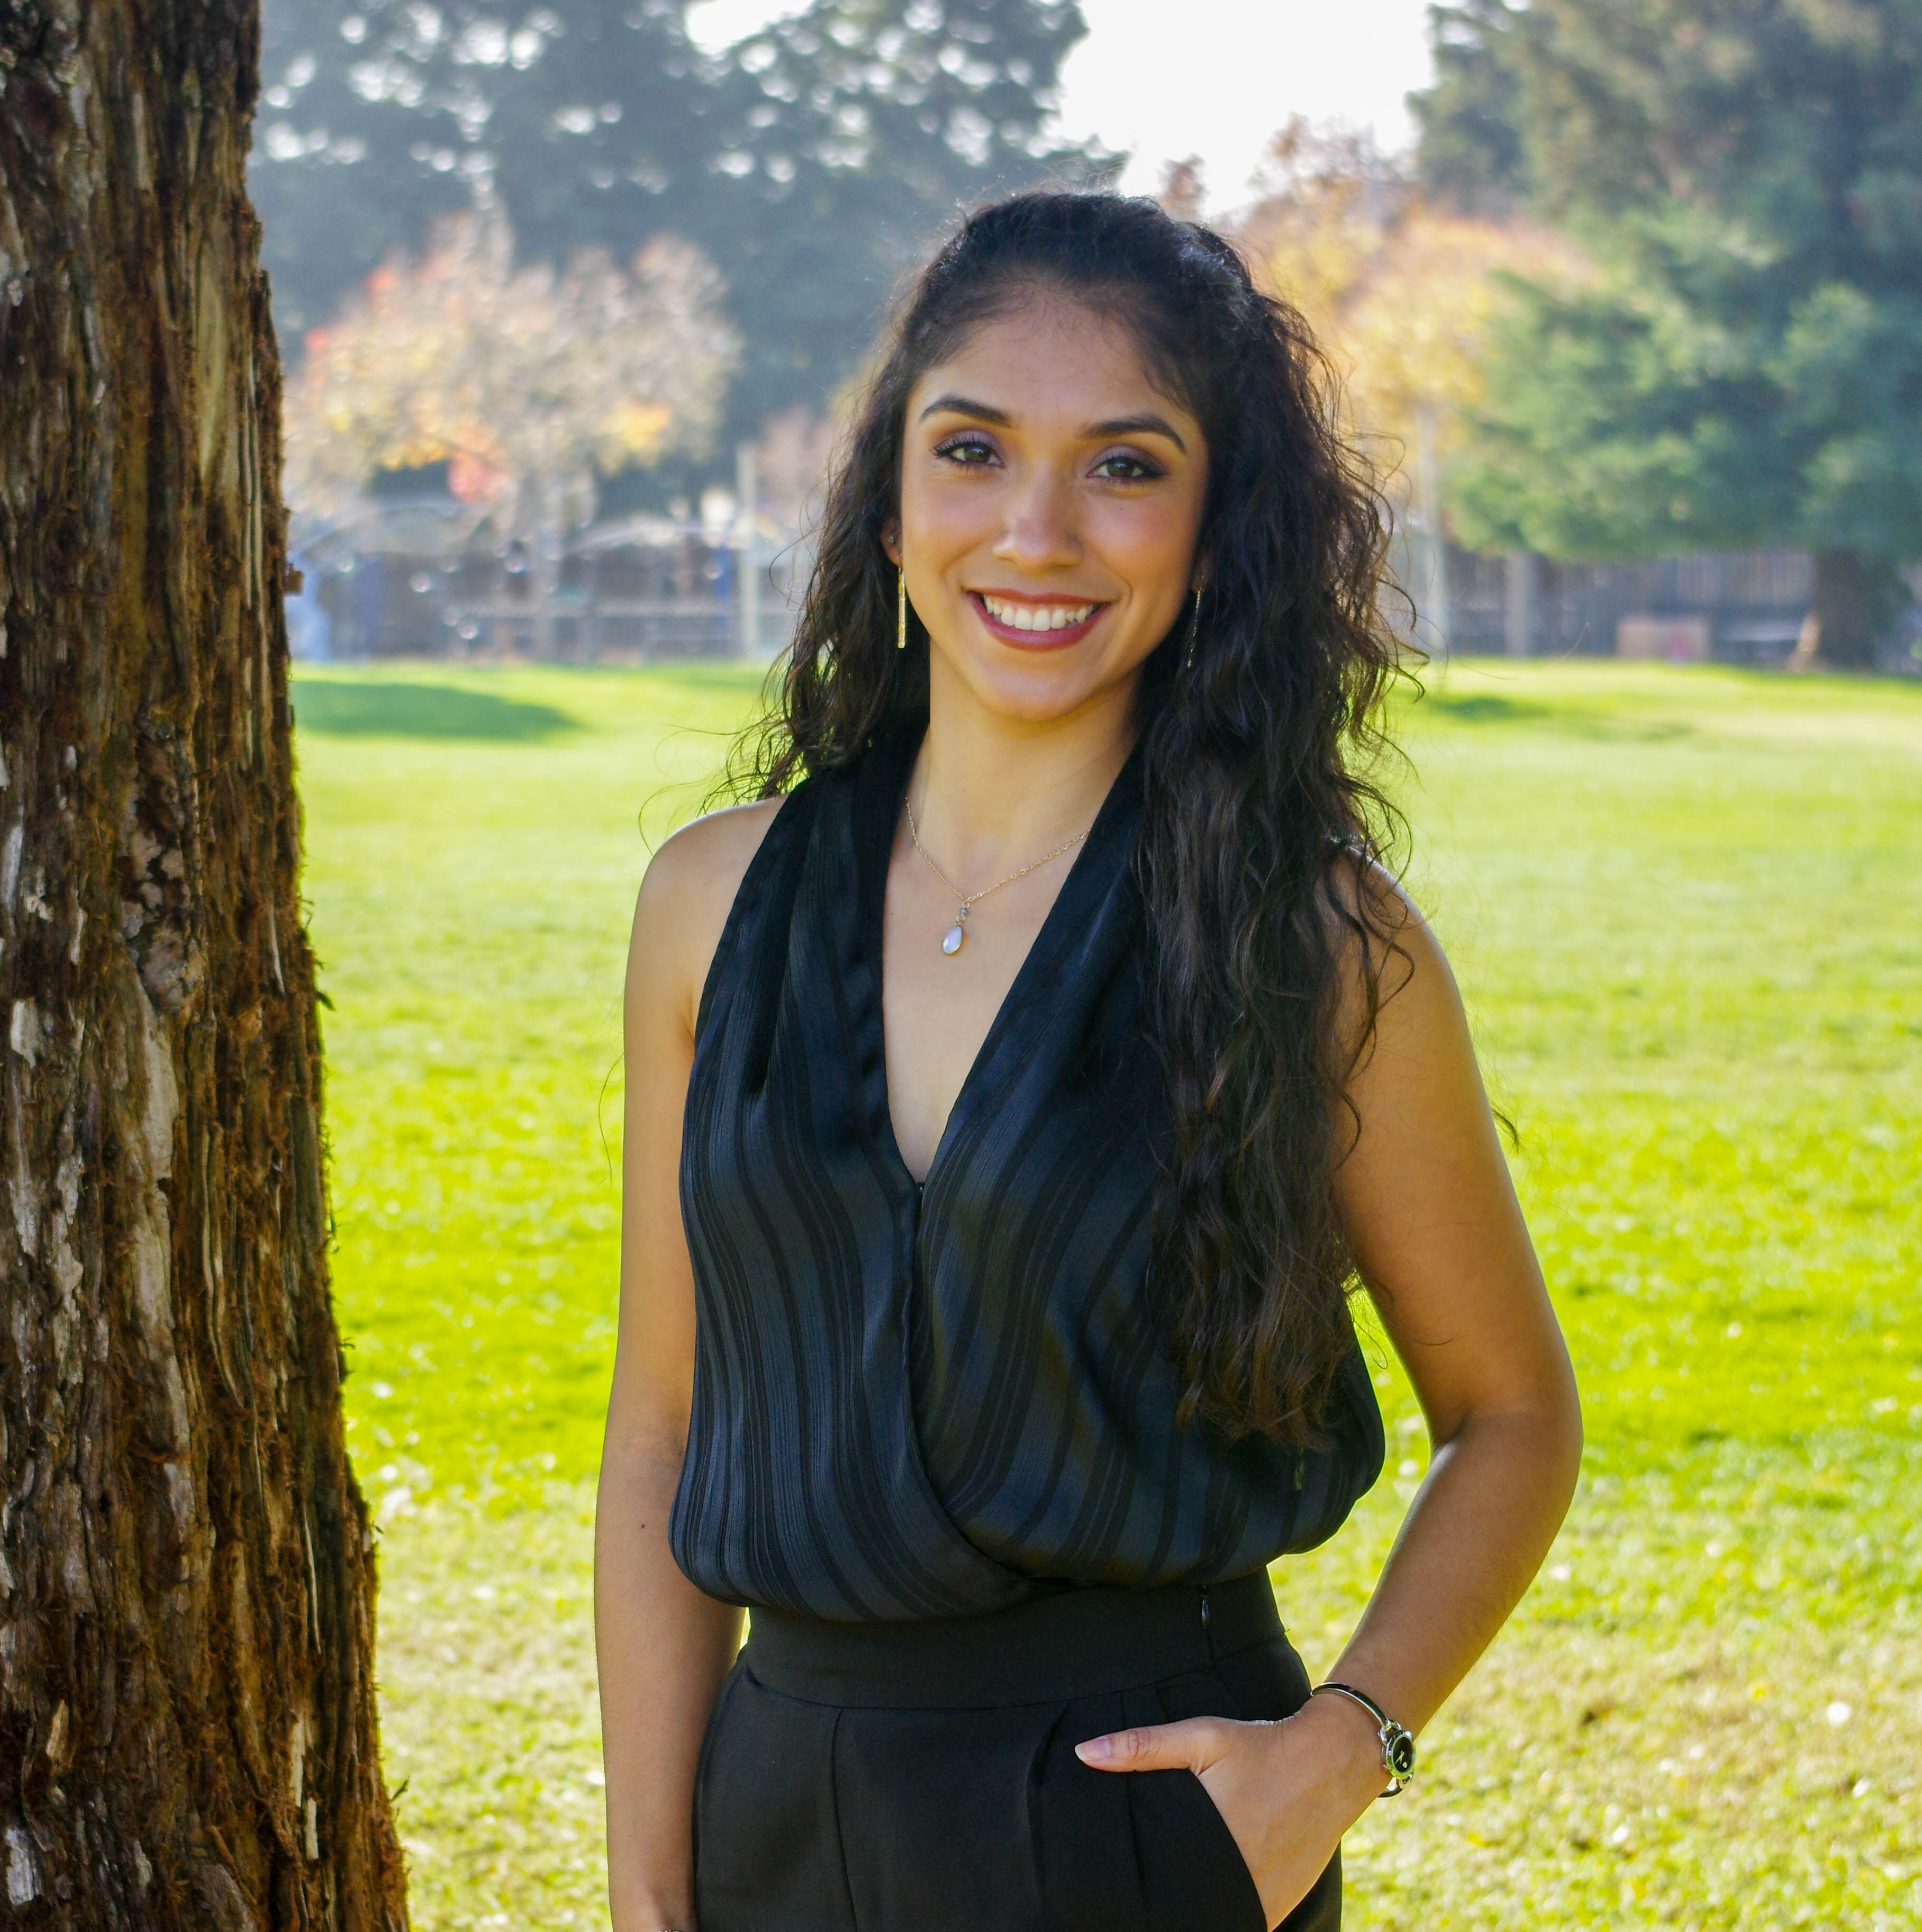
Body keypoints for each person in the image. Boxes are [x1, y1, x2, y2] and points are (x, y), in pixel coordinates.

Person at [594, 191, 1582, 1932]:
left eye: (1123, 466)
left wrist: (1338, 1751)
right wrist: (649, 1880)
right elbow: (666, 1422)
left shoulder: (1319, 942)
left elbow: (1511, 1417)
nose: (1034, 530)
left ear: (1213, 530)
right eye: (970, 449)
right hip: (773, 1818)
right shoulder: (707, 904)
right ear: (891, 504)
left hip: (1152, 1829)